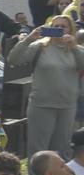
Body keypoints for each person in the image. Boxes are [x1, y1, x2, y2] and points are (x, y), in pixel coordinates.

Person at [8, 14, 84, 157]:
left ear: (71, 29)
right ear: (49, 28)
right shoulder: (40, 46)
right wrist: (29, 38)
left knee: (64, 151)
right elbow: (13, 59)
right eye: (56, 26)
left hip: (67, 106)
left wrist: (73, 46)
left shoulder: (76, 49)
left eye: (63, 26)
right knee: (39, 151)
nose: (59, 29)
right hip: (42, 105)